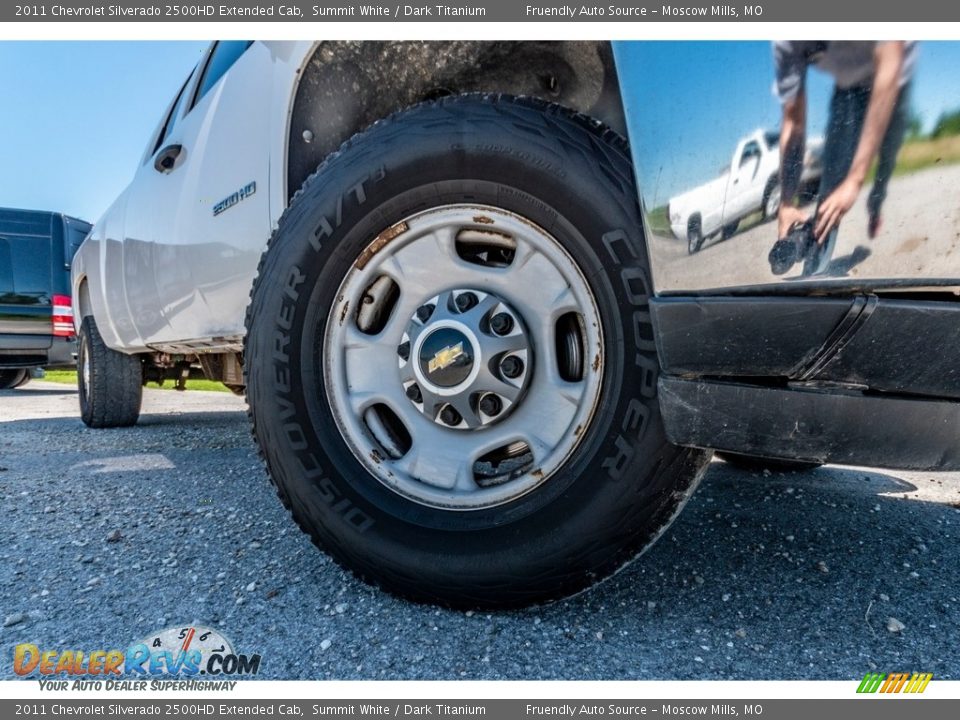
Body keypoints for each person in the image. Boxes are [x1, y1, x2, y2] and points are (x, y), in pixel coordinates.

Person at [769, 41, 916, 276]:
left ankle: (875, 206)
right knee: (833, 180)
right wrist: (786, 203)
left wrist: (855, 180)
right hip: (848, 86)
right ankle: (815, 271)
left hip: (896, 77)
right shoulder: (786, 41)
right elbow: (793, 122)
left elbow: (890, 62)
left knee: (887, 156)